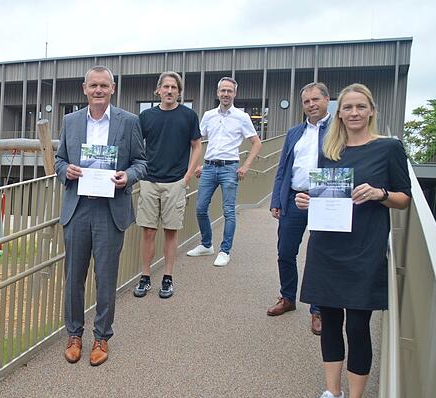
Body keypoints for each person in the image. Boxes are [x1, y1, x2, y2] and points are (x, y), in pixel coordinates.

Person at [295, 83, 410, 398]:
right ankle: (333, 393)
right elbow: (326, 196)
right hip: (327, 247)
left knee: (358, 327)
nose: (354, 113)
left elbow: (404, 198)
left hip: (365, 248)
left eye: (361, 107)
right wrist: (307, 202)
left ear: (372, 110)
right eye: (348, 108)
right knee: (329, 321)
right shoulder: (331, 150)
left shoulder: (388, 148)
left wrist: (380, 193)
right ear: (339, 112)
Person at [55, 65, 146, 366]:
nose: (98, 90)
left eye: (103, 86)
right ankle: (74, 335)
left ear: (113, 88)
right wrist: (65, 170)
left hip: (110, 209)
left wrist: (128, 176)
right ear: (84, 89)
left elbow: (141, 163)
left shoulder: (129, 121)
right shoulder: (70, 121)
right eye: (93, 85)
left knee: (105, 278)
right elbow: (59, 160)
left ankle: (102, 337)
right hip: (78, 207)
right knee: (73, 278)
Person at [267, 82, 331, 335]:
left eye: (316, 99)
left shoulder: (339, 129)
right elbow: (282, 168)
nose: (311, 105)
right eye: (306, 101)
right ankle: (288, 298)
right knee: (285, 252)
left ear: (327, 100)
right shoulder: (295, 132)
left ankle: (318, 309)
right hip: (294, 198)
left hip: (323, 198)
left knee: (319, 255)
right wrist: (276, 200)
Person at [134, 71, 202, 299]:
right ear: (158, 90)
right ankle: (145, 277)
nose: (170, 91)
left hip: (175, 182)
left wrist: (187, 176)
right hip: (149, 180)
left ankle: (168, 278)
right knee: (148, 231)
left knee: (171, 232)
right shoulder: (147, 117)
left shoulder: (188, 116)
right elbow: (136, 145)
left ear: (179, 92)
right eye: (166, 87)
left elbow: (197, 146)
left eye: (174, 87)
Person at [187, 77, 262, 266]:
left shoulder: (242, 117)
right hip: (209, 167)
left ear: (235, 94)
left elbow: (256, 143)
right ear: (217, 93)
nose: (226, 94)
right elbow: (198, 140)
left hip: (230, 168)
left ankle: (225, 250)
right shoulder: (208, 115)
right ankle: (206, 244)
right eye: (223, 90)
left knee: (228, 211)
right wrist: (198, 164)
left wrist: (246, 166)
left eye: (229, 91)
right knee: (200, 208)